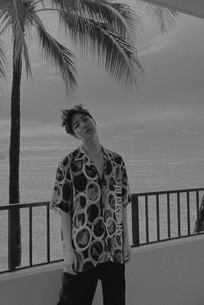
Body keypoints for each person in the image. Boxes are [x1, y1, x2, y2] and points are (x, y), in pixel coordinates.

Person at [51, 105, 132, 305]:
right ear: (75, 134)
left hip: (114, 249)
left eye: (85, 119)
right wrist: (68, 251)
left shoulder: (117, 161)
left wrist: (126, 240)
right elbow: (64, 210)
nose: (83, 125)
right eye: (76, 125)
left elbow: (121, 203)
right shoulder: (68, 164)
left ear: (94, 121)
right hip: (83, 250)